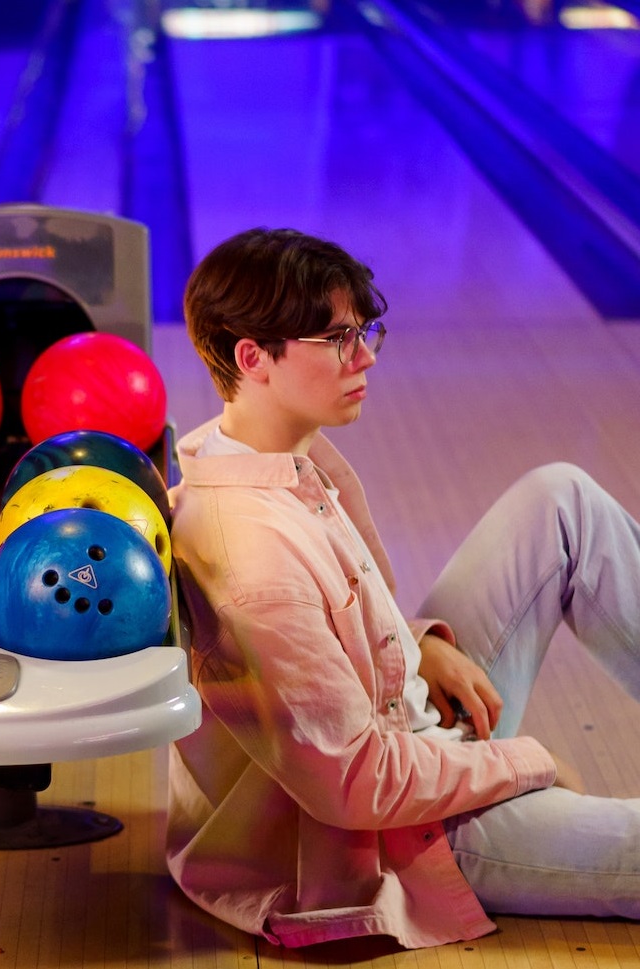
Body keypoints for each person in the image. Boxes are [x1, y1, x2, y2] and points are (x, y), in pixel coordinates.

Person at [166, 227, 640, 949]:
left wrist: (419, 644)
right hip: (401, 829)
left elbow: (335, 632)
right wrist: (523, 763)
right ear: (252, 357)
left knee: (560, 499)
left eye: (364, 333)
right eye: (336, 339)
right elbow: (357, 779)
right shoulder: (253, 556)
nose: (365, 359)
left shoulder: (264, 451)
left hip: (412, 724)